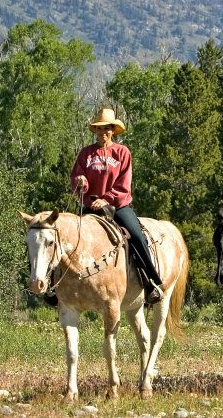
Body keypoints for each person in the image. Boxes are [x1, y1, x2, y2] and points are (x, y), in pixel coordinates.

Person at [70, 107, 164, 305]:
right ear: (94, 130)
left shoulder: (122, 152)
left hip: (117, 206)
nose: (103, 132)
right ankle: (56, 286)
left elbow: (124, 183)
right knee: (66, 236)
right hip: (91, 206)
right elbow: (78, 177)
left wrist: (107, 199)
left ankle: (151, 281)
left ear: (113, 130)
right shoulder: (85, 153)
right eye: (99, 128)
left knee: (137, 235)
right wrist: (80, 182)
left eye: (107, 128)